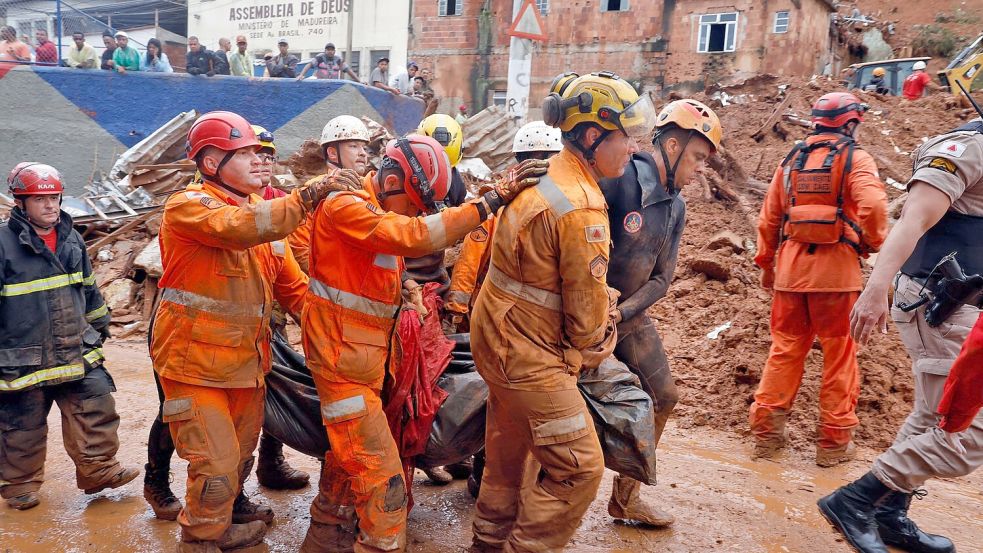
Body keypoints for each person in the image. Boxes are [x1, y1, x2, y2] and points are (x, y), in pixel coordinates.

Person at [298, 134, 548, 553]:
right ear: (393, 181)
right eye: (415, 202)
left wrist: (404, 288)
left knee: (343, 471)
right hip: (342, 367)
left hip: (365, 363)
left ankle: (323, 540)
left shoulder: (374, 207)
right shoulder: (346, 204)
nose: (416, 212)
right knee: (384, 487)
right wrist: (488, 202)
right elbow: (411, 235)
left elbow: (364, 269)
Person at [469, 71, 656, 553]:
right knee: (579, 467)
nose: (632, 149)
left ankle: (488, 541)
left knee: (510, 452)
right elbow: (587, 321)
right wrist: (599, 340)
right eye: (624, 138)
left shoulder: (545, 175)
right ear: (592, 136)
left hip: (498, 339)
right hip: (528, 355)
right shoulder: (582, 208)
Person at [151, 111, 348, 552]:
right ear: (209, 164)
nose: (260, 161)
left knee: (237, 459)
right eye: (245, 154)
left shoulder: (264, 214)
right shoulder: (188, 206)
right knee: (215, 466)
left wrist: (340, 332)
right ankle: (199, 540)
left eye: (262, 153)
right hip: (193, 363)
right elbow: (236, 230)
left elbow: (296, 290)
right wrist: (305, 198)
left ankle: (218, 528)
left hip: (245, 365)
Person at [817, 117, 983, 553]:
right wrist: (874, 291)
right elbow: (912, 220)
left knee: (932, 417)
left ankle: (889, 513)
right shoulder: (968, 147)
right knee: (967, 434)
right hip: (943, 300)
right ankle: (856, 500)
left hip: (963, 306)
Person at [598, 98, 723, 527]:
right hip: (580, 313)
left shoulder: (677, 206)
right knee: (559, 403)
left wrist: (622, 311)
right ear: (671, 146)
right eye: (697, 157)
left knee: (664, 396)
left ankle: (626, 497)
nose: (700, 169)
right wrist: (597, 304)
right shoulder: (619, 179)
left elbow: (661, 279)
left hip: (626, 316)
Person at [750, 92, 888, 467]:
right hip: (838, 278)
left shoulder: (790, 161)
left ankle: (766, 438)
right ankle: (833, 446)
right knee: (840, 357)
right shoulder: (856, 159)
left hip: (791, 276)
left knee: (784, 352)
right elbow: (875, 207)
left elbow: (768, 220)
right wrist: (872, 244)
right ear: (850, 122)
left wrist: (767, 265)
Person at [0, 162, 140, 511]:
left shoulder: (71, 238)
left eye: (55, 198)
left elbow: (89, 288)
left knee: (96, 407)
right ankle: (20, 486)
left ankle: (98, 471)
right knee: (21, 425)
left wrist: (100, 325)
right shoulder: (3, 244)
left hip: (76, 345)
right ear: (20, 202)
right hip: (22, 354)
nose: (50, 206)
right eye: (40, 200)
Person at [443, 119, 563, 333]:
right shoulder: (496, 207)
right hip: (496, 317)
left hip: (533, 320)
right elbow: (469, 262)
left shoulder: (564, 209)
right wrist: (455, 313)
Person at [287, 115, 371, 274]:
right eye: (354, 146)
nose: (363, 153)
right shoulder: (314, 191)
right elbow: (300, 247)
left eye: (364, 148)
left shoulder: (367, 189)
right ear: (332, 153)